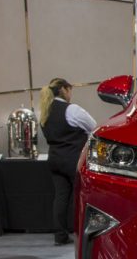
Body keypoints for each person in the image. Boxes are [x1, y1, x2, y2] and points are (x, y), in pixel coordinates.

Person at [39, 78, 97, 245]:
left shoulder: (45, 112)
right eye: (70, 90)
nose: (71, 94)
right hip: (73, 159)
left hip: (54, 160)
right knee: (80, 196)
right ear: (64, 90)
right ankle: (80, 233)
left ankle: (60, 236)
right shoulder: (71, 110)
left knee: (60, 198)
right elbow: (93, 126)